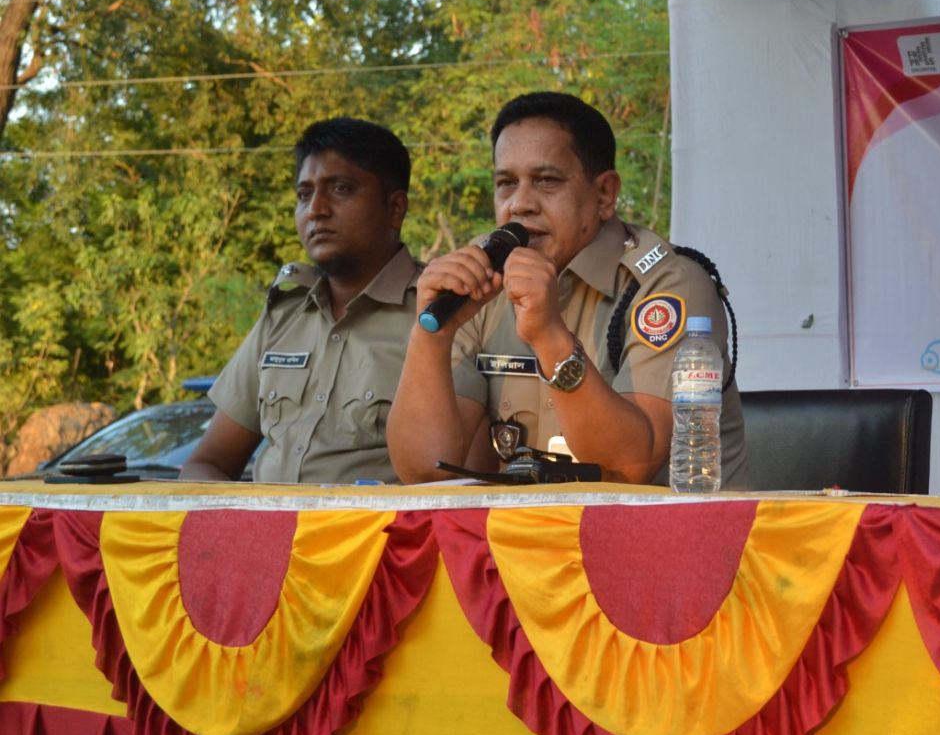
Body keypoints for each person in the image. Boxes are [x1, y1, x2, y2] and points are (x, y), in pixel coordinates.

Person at [387, 91, 749, 487]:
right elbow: (423, 471)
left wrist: (549, 337)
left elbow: (629, 467)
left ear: (604, 194)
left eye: (546, 181)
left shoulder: (668, 283)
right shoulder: (483, 280)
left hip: (663, 539)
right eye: (506, 184)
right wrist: (431, 336)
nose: (520, 205)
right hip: (529, 540)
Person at [180, 117, 421, 483]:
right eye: (304, 195)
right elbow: (207, 463)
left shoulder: (438, 312)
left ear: (395, 208)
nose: (316, 210)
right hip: (267, 538)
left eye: (340, 189)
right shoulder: (284, 315)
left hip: (376, 539)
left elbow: (456, 482)